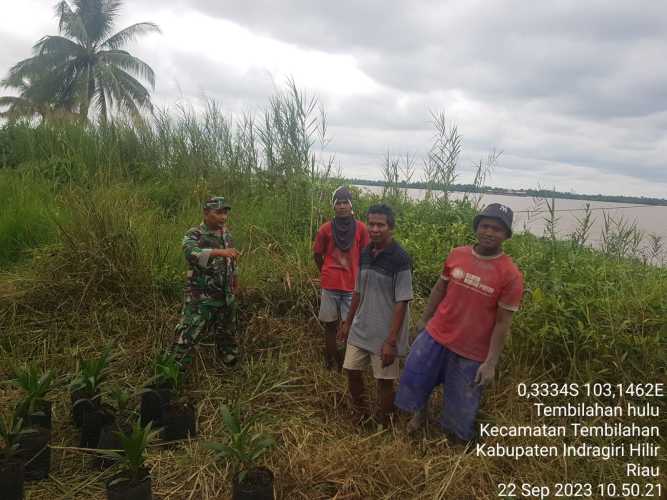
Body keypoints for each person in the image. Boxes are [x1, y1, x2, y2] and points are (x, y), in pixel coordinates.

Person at [395, 203, 524, 443]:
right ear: (476, 228)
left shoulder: (510, 275)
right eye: (485, 226)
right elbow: (439, 288)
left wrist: (490, 363)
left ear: (506, 235)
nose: (489, 232)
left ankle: (450, 441)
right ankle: (419, 414)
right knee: (416, 376)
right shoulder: (458, 255)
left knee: (461, 405)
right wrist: (424, 319)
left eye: (497, 229)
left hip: (471, 351)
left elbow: (503, 324)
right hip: (436, 335)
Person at [339, 204, 413, 426]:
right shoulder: (365, 253)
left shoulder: (400, 259)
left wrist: (391, 341)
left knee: (384, 382)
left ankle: (384, 423)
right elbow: (357, 291)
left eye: (380, 225)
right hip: (361, 328)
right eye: (371, 224)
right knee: (351, 370)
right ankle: (361, 415)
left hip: (385, 333)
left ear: (391, 227)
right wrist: (347, 322)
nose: (375, 229)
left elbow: (402, 301)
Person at [172, 196, 241, 369]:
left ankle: (229, 365)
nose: (223, 217)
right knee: (188, 334)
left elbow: (231, 261)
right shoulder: (195, 234)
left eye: (225, 213)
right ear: (206, 213)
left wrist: (234, 281)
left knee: (227, 333)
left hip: (225, 296)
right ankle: (171, 372)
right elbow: (192, 254)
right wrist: (220, 252)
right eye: (218, 213)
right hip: (201, 297)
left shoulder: (226, 235)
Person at [313, 186, 369, 370]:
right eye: (339, 203)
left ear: (351, 205)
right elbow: (317, 254)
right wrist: (326, 272)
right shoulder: (325, 229)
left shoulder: (361, 229)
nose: (342, 206)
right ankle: (330, 362)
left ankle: (346, 363)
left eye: (346, 202)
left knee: (349, 326)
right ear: (334, 206)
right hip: (330, 285)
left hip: (351, 287)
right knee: (330, 326)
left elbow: (366, 256)